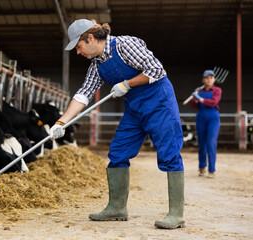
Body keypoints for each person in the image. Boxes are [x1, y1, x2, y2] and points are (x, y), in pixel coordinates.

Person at [49, 19, 185, 229]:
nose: (78, 52)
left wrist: (126, 84)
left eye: (79, 46)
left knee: (169, 152)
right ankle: (117, 207)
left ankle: (176, 214)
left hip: (159, 102)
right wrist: (61, 122)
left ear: (91, 38)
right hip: (135, 108)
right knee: (118, 151)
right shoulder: (97, 64)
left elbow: (157, 70)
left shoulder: (124, 45)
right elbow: (84, 94)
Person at [191, 70, 222, 178]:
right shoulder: (199, 91)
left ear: (214, 79)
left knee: (211, 142)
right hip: (201, 118)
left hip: (213, 118)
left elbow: (213, 102)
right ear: (203, 79)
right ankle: (202, 167)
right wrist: (195, 97)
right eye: (206, 78)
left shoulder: (217, 90)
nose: (209, 80)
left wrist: (200, 98)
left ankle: (212, 170)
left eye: (211, 77)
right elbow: (194, 106)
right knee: (201, 143)